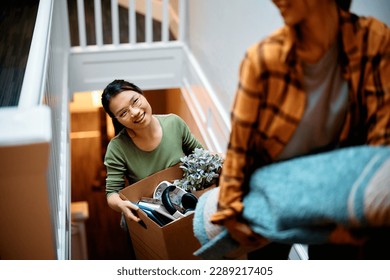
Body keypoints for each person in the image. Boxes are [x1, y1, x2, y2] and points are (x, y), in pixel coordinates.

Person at [210, 0, 390, 259]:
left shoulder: (374, 40)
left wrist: (356, 208)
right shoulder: (262, 61)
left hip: (332, 189)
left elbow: (380, 143)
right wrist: (228, 209)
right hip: (271, 190)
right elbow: (240, 147)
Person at [101, 79, 204, 223]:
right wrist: (120, 205)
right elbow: (112, 193)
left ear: (141, 94)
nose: (135, 112)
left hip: (184, 211)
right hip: (149, 219)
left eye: (135, 101)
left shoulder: (174, 124)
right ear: (117, 119)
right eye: (123, 113)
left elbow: (201, 156)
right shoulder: (117, 148)